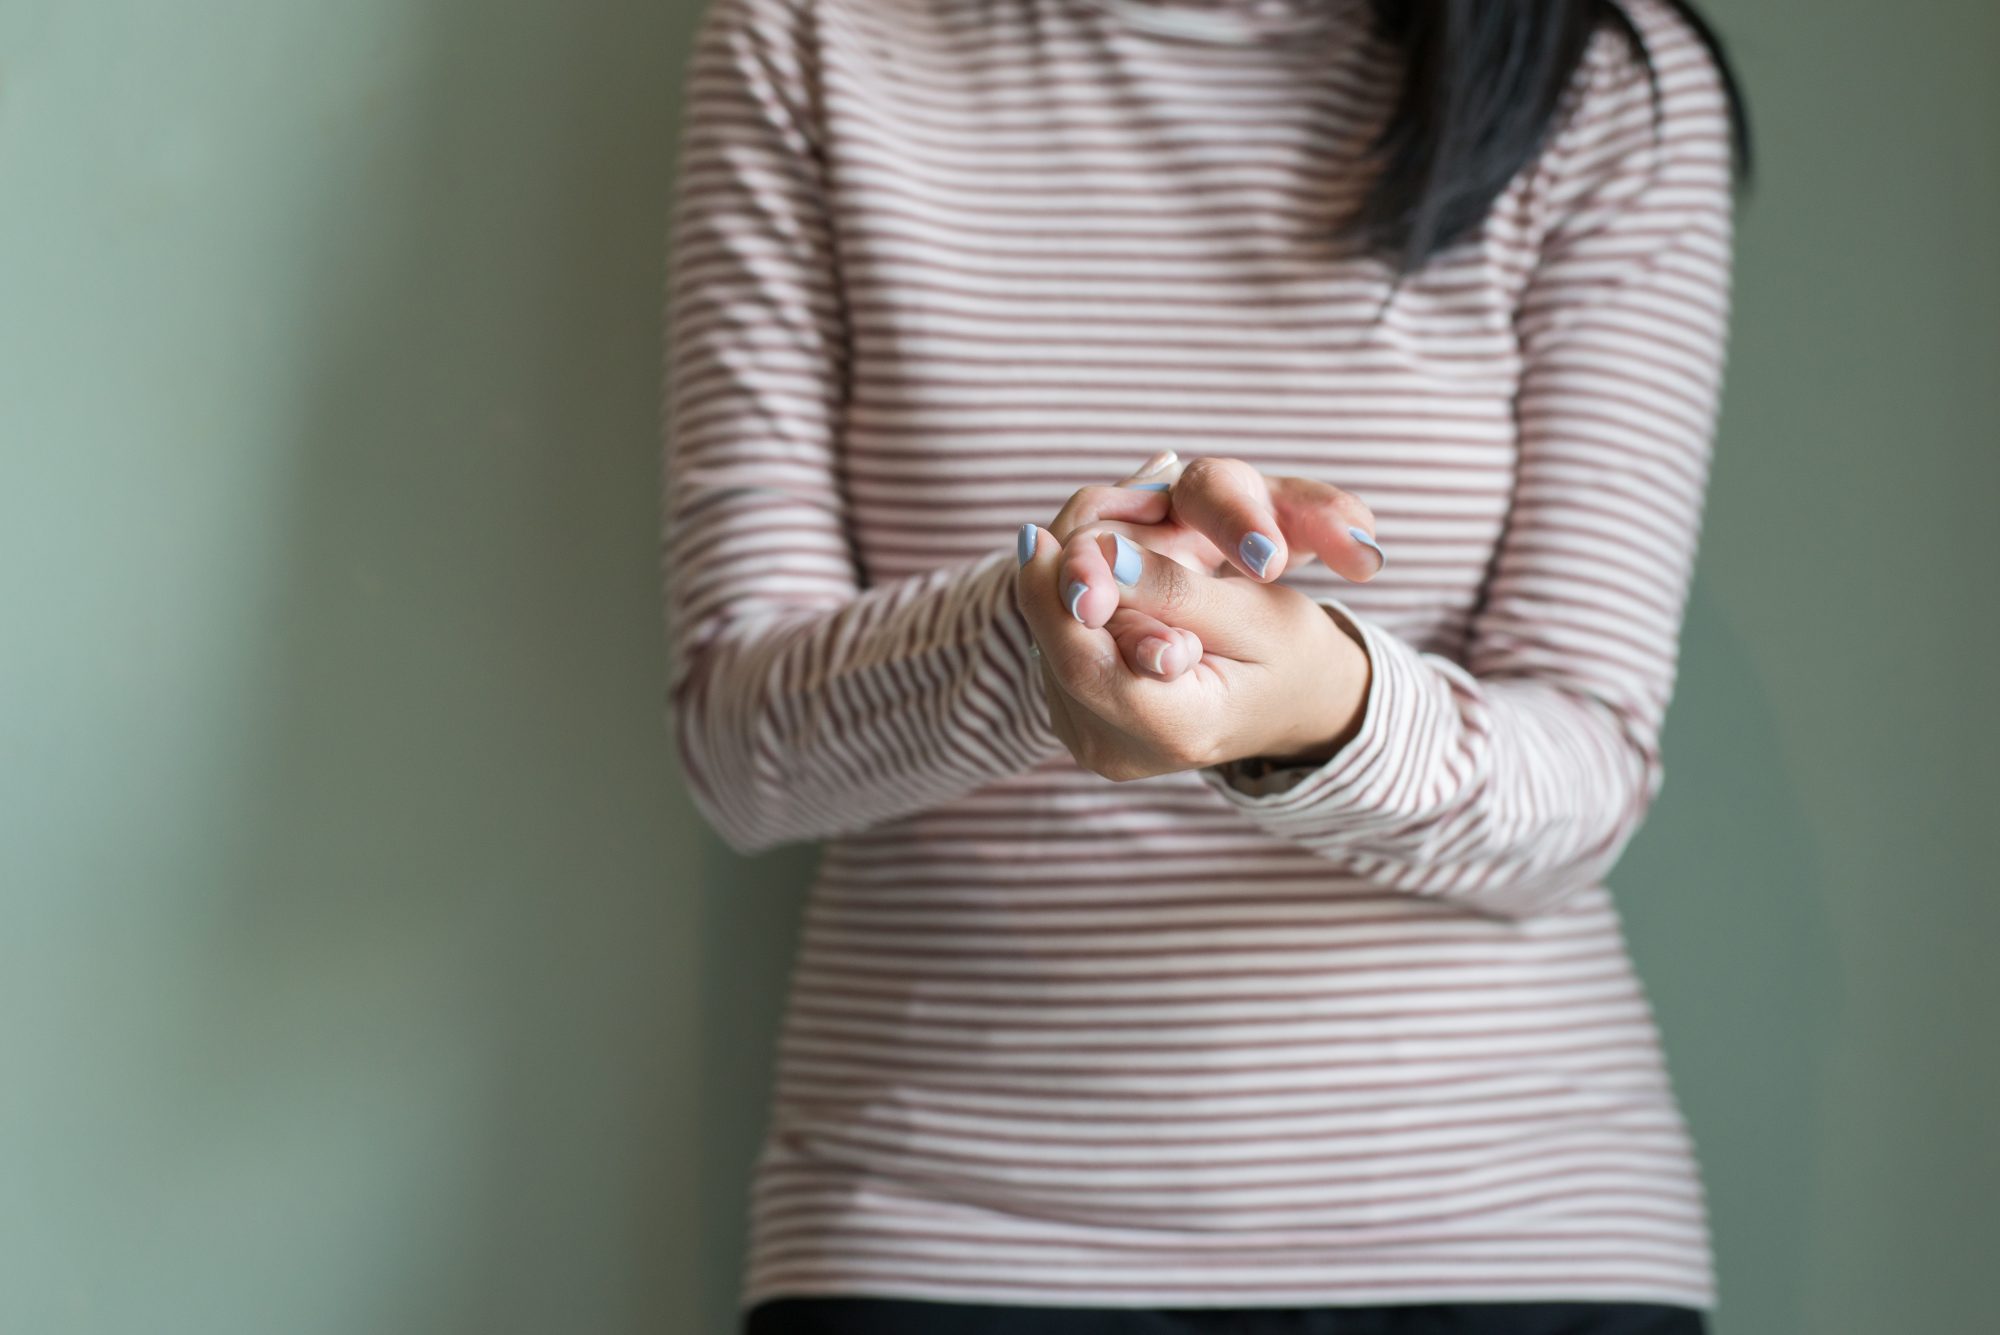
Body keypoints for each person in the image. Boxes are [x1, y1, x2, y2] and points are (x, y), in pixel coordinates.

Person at [659, 0, 1750, 1330]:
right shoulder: (814, 33)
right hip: (948, 1230)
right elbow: (739, 754)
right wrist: (1045, 628)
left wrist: (1327, 710)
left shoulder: (1606, 74)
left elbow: (1587, 780)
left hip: (1513, 1239)